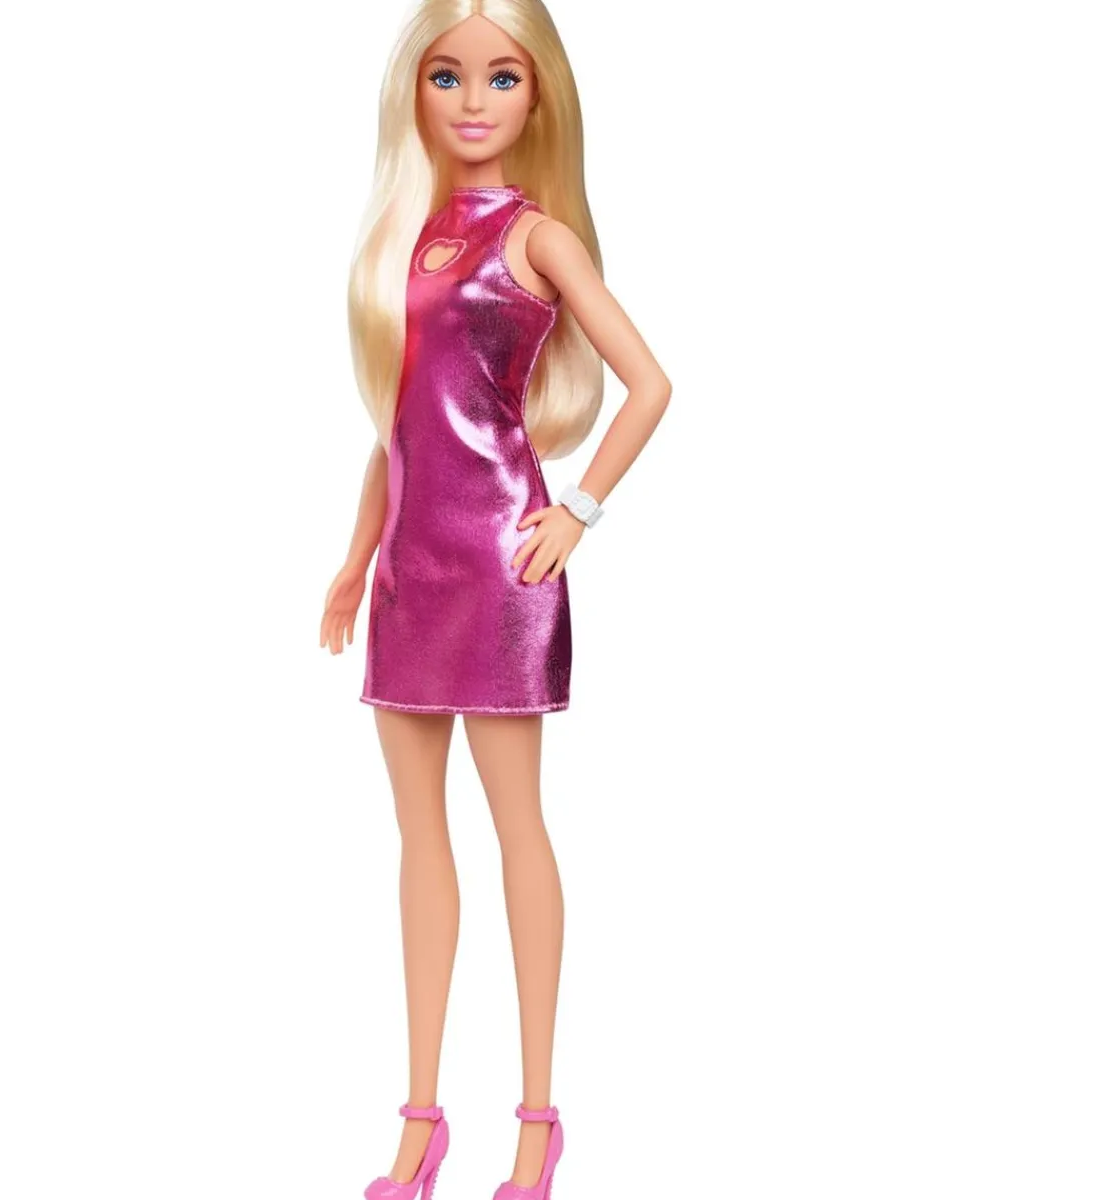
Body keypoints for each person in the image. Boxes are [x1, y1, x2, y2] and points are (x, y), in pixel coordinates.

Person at [319, 3, 671, 1197]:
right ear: (413, 92)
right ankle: (421, 1120)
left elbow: (650, 383)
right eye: (448, 77)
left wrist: (579, 512)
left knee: (519, 828)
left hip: (503, 570)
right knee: (418, 839)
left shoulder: (539, 239)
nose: (474, 101)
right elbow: (398, 425)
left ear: (539, 93)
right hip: (409, 571)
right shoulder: (407, 237)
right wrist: (354, 555)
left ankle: (536, 1121)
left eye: (501, 78)